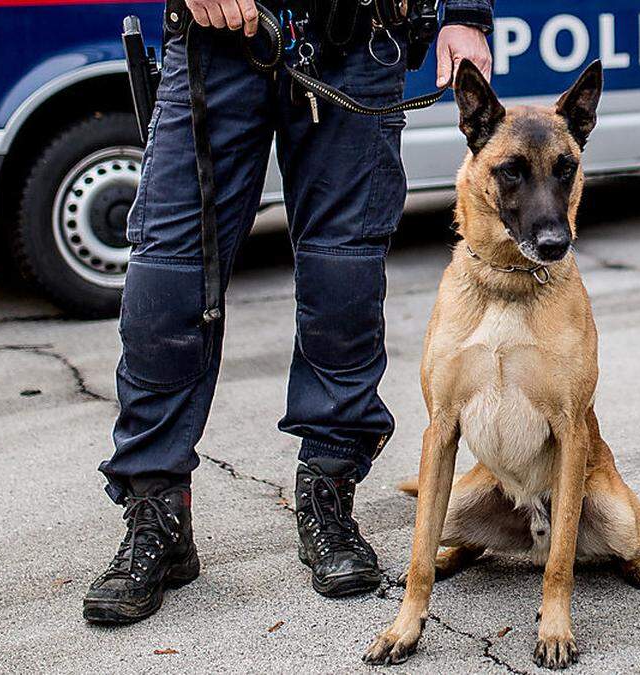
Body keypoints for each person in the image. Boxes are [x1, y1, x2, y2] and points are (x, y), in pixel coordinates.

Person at [83, 0, 494, 624]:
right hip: (211, 38)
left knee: (343, 279)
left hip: (359, 36)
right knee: (167, 282)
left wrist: (467, 12)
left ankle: (328, 491)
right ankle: (157, 511)